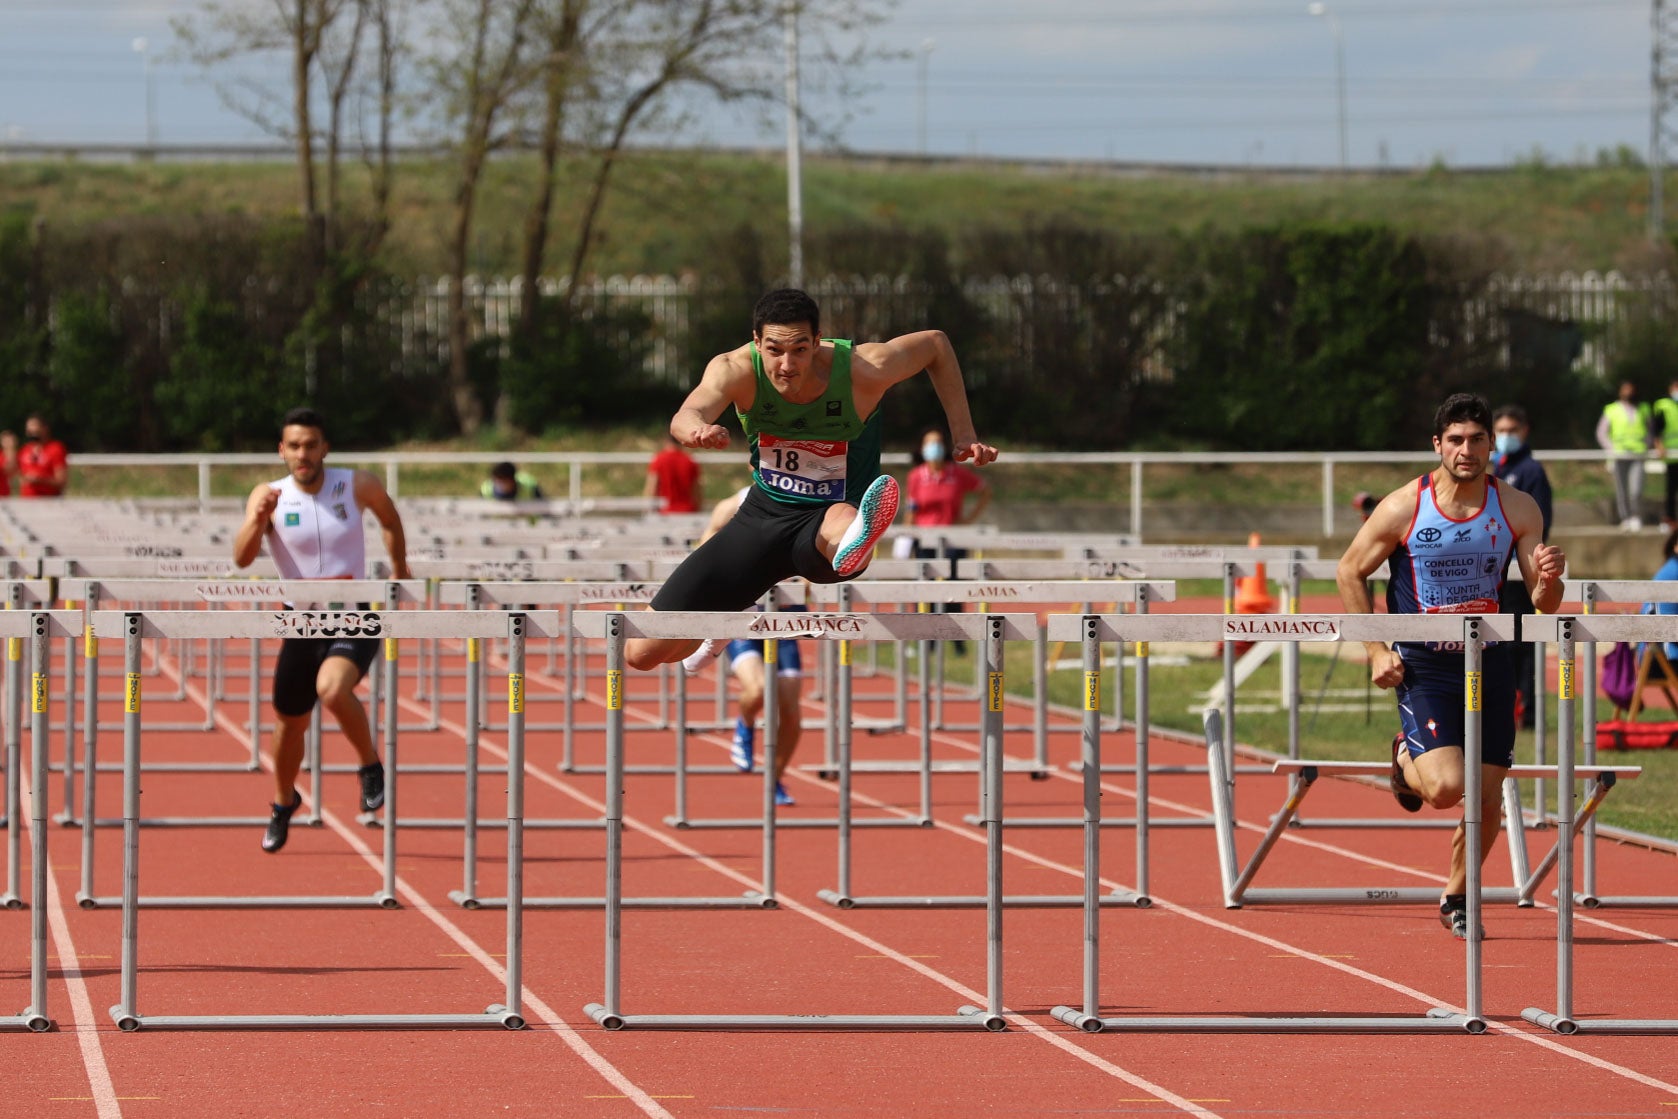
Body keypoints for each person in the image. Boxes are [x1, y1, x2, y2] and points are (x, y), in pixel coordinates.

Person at [626, 287, 997, 673]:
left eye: (800, 349)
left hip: (827, 517)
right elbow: (686, 414)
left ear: (818, 342)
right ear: (756, 342)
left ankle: (860, 539)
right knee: (640, 653)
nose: (787, 364)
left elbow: (935, 344)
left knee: (842, 527)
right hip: (762, 517)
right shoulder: (734, 369)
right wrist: (697, 430)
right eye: (774, 350)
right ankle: (721, 621)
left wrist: (964, 434)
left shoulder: (862, 369)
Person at [1337, 393, 1564, 940]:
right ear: (1437, 444)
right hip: (1424, 664)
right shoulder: (1402, 507)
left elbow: (1542, 603)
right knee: (1443, 790)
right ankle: (1402, 754)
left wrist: (1552, 580)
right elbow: (1349, 572)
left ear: (1492, 445)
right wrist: (1376, 650)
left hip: (1489, 660)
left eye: (1478, 439)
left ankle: (1457, 895)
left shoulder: (1516, 507)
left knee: (1487, 796)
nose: (1468, 450)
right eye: (1456, 440)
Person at [233, 406, 411, 853]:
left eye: (311, 445)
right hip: (301, 620)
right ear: (282, 451)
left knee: (332, 690)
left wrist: (399, 568)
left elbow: (389, 520)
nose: (303, 454)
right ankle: (283, 800)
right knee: (289, 724)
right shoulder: (269, 493)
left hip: (354, 615)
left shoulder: (357, 484)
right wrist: (258, 518)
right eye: (294, 446)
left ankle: (370, 764)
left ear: (325, 447)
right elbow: (240, 557)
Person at [691, 487, 805, 807]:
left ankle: (774, 780)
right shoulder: (732, 505)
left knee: (792, 715)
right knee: (757, 690)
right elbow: (704, 556)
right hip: (743, 611)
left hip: (785, 616)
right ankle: (745, 724)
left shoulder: (811, 500)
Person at [1491, 404, 1554, 729]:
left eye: (1511, 430)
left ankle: (1527, 710)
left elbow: (1539, 522)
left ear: (1524, 431)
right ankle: (1506, 705)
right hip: (1496, 573)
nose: (1505, 437)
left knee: (1521, 643)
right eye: (1499, 431)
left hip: (1519, 573)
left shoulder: (1531, 471)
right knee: (1501, 642)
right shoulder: (1494, 467)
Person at [1596, 381, 1650, 531]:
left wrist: (1647, 444)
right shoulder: (1612, 409)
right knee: (1621, 489)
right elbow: (1601, 432)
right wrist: (1611, 448)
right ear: (1620, 392)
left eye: (1631, 390)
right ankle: (1625, 517)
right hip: (1620, 455)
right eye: (1626, 390)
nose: (1629, 393)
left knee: (1636, 489)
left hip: (1638, 453)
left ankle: (1636, 516)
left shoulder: (1643, 408)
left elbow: (1650, 430)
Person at [645, 432, 702, 514]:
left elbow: (652, 489)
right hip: (687, 512)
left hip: (665, 512)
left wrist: (650, 511)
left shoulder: (658, 460)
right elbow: (697, 492)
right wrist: (698, 510)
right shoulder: (690, 461)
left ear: (666, 440)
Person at [15, 414, 68, 497]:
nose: (30, 430)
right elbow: (19, 475)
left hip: (49, 502)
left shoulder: (55, 449)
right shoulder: (25, 450)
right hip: (26, 503)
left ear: (45, 428)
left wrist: (40, 480)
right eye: (28, 427)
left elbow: (62, 481)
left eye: (34, 426)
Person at [1652, 378, 1678, 530]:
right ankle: (1669, 519)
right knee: (1671, 489)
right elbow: (1656, 428)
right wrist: (1658, 444)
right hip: (1672, 455)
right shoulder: (1664, 405)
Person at [0, 430, 14, 497]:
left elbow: (10, 471)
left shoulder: (16, 455)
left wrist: (10, 450)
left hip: (4, 494)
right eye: (5, 441)